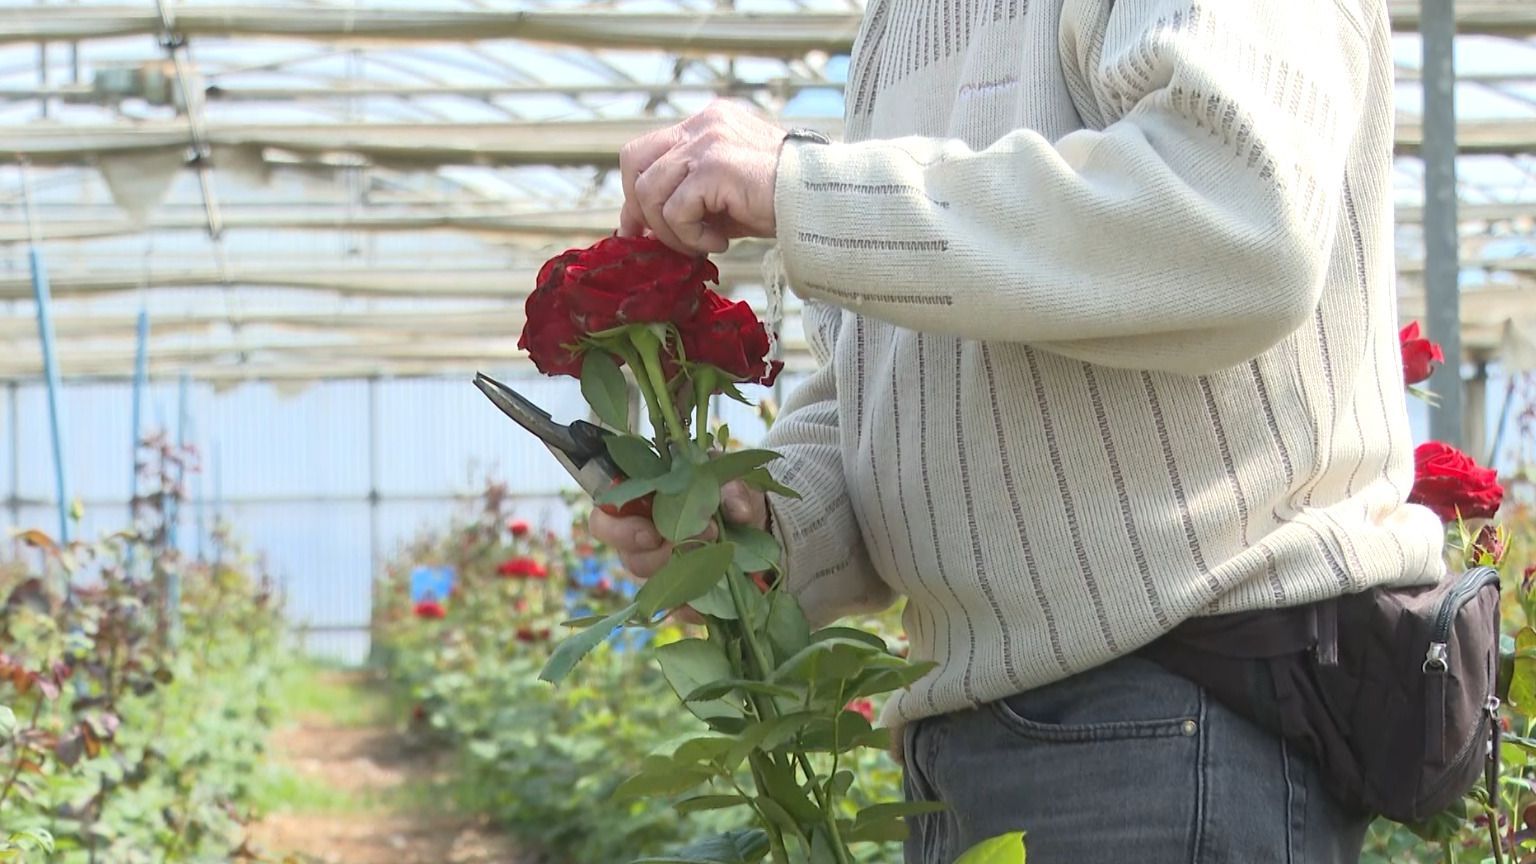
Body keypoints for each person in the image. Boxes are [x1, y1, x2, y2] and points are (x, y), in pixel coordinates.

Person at [589, 0, 1443, 860]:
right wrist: (757, 523)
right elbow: (893, 382)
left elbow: (1236, 213)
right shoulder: (900, 22)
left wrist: (802, 186)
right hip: (980, 744)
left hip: (1174, 720)